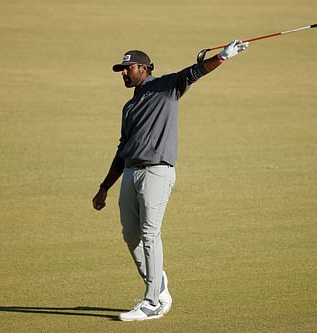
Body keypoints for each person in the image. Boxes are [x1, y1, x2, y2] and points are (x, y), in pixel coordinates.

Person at [92, 40, 249, 321]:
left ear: (144, 68)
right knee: (131, 234)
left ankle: (151, 302)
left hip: (157, 172)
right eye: (122, 70)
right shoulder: (128, 107)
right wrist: (104, 187)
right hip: (130, 173)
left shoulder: (165, 87)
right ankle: (158, 283)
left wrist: (223, 56)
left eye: (128, 68)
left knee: (150, 233)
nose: (124, 74)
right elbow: (121, 149)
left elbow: (194, 72)